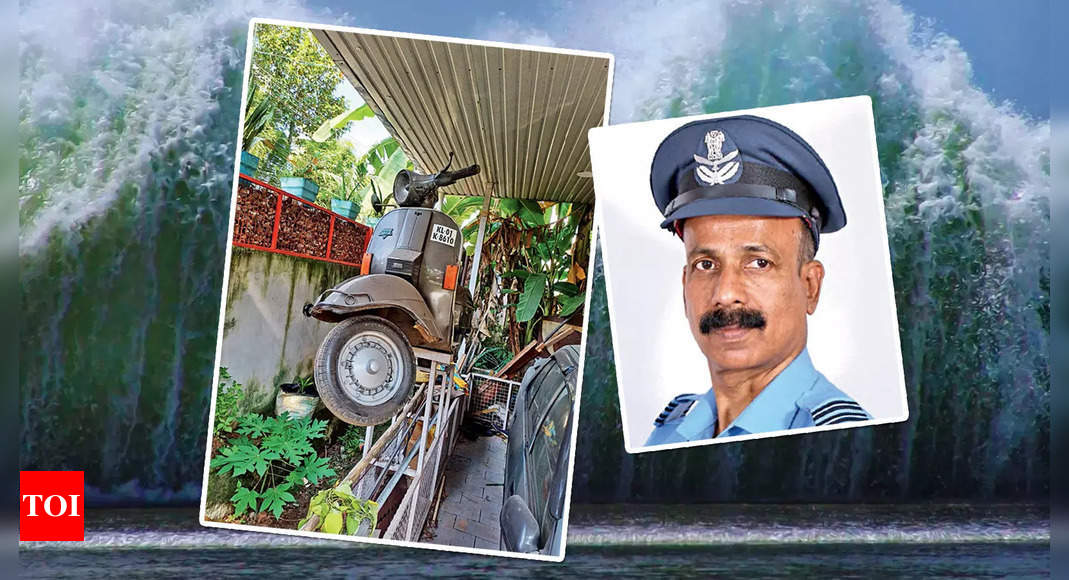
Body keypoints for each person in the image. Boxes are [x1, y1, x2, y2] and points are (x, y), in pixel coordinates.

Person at [646, 115, 870, 446]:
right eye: (706, 264)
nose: (725, 293)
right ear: (684, 287)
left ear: (810, 286)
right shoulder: (669, 431)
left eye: (758, 263)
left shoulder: (842, 442)